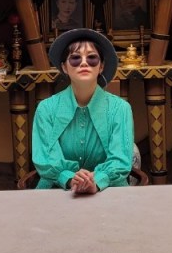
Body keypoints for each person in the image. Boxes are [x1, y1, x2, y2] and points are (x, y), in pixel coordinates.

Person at [32, 28, 134, 194]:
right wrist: (70, 178)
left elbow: (120, 160)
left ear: (101, 66)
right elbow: (45, 159)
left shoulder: (120, 109)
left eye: (92, 58)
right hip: (58, 190)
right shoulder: (46, 109)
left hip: (108, 190)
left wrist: (96, 181)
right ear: (64, 67)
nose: (84, 63)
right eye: (75, 58)